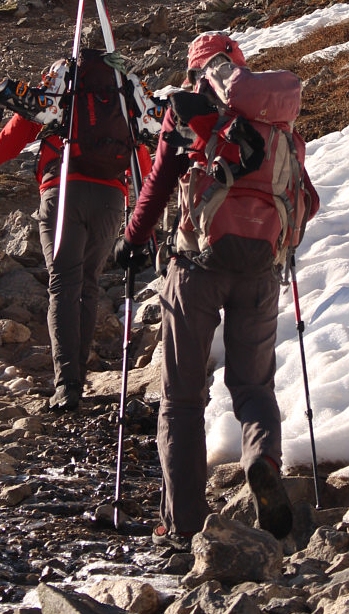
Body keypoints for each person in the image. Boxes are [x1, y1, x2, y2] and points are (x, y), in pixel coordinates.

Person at [114, 32, 319, 548]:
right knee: (253, 387)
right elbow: (306, 198)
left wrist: (132, 240)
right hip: (261, 269)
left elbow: (159, 182)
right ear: (238, 65)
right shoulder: (275, 118)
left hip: (196, 266)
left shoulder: (189, 109)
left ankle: (183, 523)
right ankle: (262, 458)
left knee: (182, 398)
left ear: (196, 69)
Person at [0, 55, 151, 412]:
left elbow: (5, 145)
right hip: (111, 198)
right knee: (88, 285)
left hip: (62, 192)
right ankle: (79, 375)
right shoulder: (121, 98)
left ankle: (67, 385)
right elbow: (142, 160)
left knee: (63, 284)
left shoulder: (58, 92)